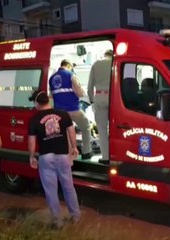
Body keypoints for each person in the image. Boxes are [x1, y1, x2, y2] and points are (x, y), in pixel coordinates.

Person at [28, 90, 81, 229]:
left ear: (37, 103)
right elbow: (71, 131)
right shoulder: (63, 114)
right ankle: (75, 217)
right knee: (68, 187)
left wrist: (32, 156)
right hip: (63, 155)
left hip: (46, 157)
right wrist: (74, 147)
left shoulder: (34, 119)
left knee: (51, 190)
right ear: (48, 101)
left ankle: (57, 220)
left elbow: (31, 141)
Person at [49, 59, 93, 159]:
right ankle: (87, 152)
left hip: (59, 112)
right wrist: (81, 91)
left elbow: (51, 95)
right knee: (86, 126)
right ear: (69, 66)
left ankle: (68, 154)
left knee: (65, 132)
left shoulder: (51, 78)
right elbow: (80, 93)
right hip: (73, 109)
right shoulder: (70, 75)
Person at [87, 49, 113, 164]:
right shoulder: (115, 62)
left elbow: (89, 88)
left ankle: (105, 157)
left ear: (104, 54)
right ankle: (115, 155)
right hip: (113, 98)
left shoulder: (96, 64)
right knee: (115, 129)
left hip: (99, 98)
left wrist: (92, 101)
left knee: (102, 130)